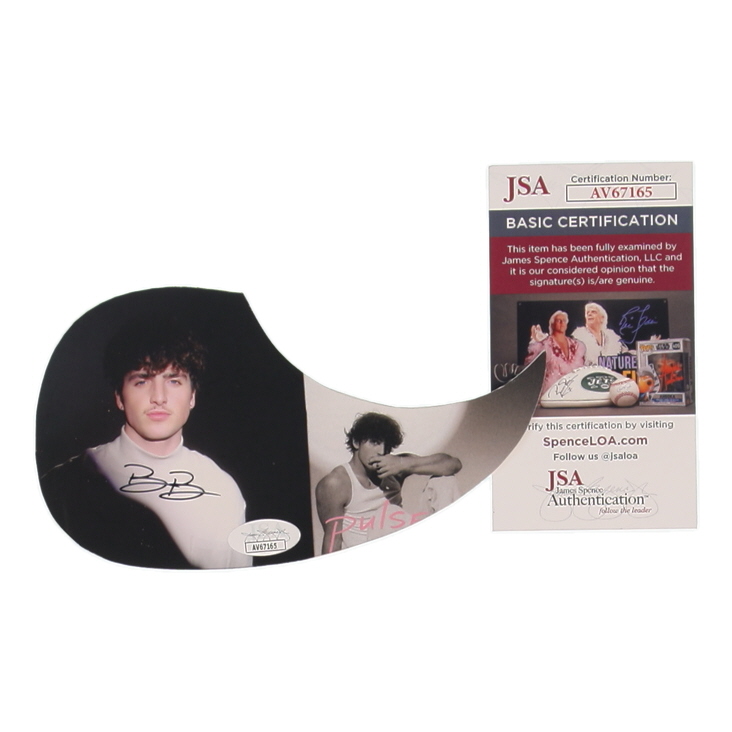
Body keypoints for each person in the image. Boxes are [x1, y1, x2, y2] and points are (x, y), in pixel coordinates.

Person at [40, 317, 252, 570]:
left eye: (174, 381)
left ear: (192, 396)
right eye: (142, 381)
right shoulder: (64, 485)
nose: (159, 397)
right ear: (119, 397)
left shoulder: (224, 490)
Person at [315, 412, 462, 554]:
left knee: (445, 481)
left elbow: (453, 464)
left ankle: (447, 551)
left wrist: (403, 464)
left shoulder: (396, 466)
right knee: (388, 513)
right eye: (375, 442)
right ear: (356, 442)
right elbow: (332, 541)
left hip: (402, 547)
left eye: (387, 446)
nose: (382, 451)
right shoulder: (336, 483)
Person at [525, 310, 586, 393]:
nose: (562, 323)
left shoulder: (576, 345)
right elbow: (530, 367)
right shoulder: (544, 344)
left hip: (573, 390)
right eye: (558, 320)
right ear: (552, 324)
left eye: (564, 321)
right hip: (550, 390)